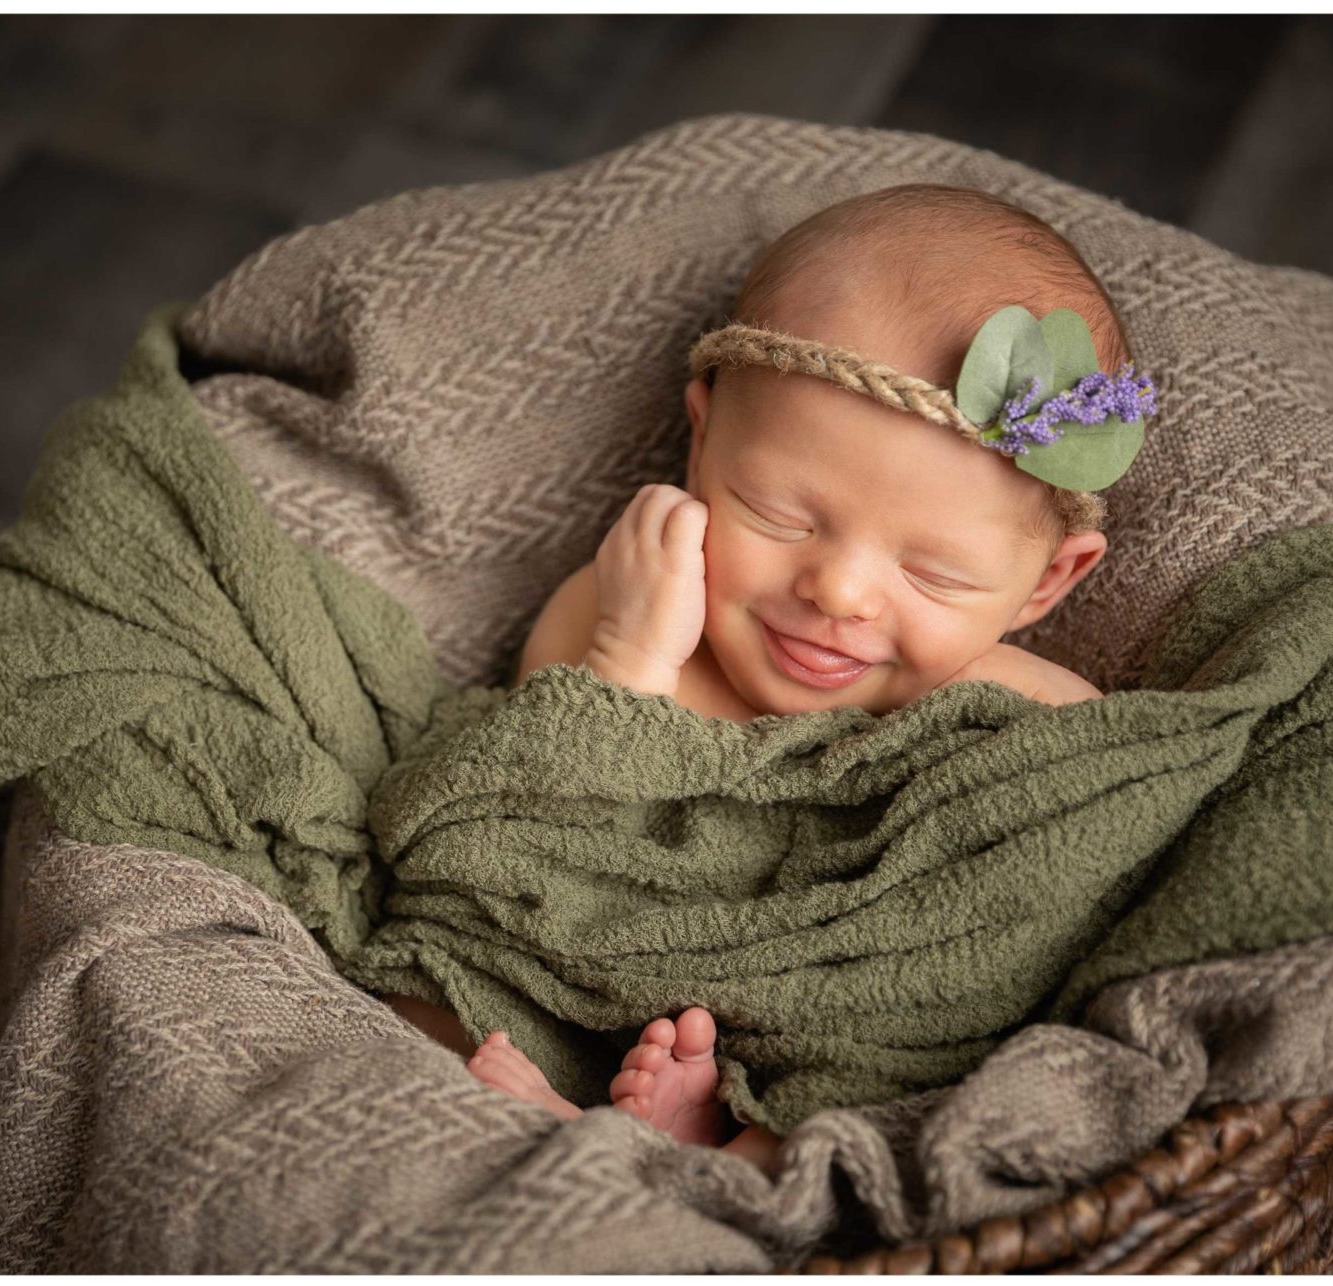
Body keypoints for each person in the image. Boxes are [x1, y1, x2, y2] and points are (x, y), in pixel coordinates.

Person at [389, 183, 1155, 1172]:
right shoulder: (624, 610)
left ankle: (717, 1153)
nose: (835, 590)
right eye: (781, 514)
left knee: (922, 1075)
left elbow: (1004, 930)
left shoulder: (1028, 715)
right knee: (431, 982)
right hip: (576, 983)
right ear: (702, 435)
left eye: (932, 572)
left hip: (824, 1033)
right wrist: (630, 666)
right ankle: (565, 1139)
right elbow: (523, 838)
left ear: (1048, 580)